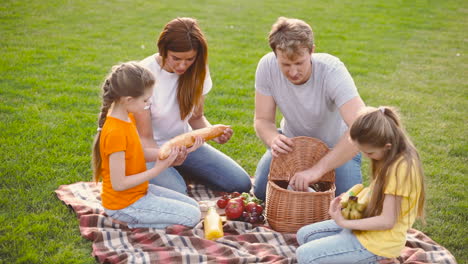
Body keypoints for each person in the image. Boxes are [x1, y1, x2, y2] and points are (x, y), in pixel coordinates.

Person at [135, 17, 252, 195]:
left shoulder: (198, 71)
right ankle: (170, 173)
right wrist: (167, 160)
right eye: (176, 58)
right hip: (151, 151)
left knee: (240, 183)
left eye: (189, 59)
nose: (182, 65)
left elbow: (196, 117)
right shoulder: (143, 75)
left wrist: (213, 133)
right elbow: (145, 138)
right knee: (179, 193)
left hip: (186, 145)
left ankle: (179, 170)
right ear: (163, 49)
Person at [253, 17, 365, 201]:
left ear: (312, 51)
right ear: (275, 54)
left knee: (344, 202)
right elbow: (262, 120)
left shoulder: (332, 70)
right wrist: (273, 139)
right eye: (285, 65)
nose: (293, 72)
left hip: (335, 147)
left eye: (299, 63)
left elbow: (359, 128)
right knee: (261, 193)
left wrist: (316, 171)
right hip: (292, 145)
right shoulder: (266, 66)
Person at [295, 106, 426, 263]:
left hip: (378, 243)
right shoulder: (390, 156)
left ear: (387, 146)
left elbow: (387, 221)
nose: (365, 156)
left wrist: (344, 222)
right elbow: (376, 195)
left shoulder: (400, 169)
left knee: (306, 256)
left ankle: (381, 259)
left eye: (369, 153)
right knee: (304, 235)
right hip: (364, 229)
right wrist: (350, 201)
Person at [91, 62, 202, 229]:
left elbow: (137, 153)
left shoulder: (128, 117)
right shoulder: (115, 131)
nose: (147, 104)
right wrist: (157, 169)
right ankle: (128, 220)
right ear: (128, 100)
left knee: (195, 207)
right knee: (192, 217)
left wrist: (170, 154)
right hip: (124, 205)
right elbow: (118, 184)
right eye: (145, 100)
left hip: (139, 192)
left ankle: (140, 218)